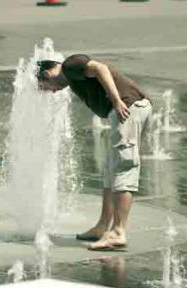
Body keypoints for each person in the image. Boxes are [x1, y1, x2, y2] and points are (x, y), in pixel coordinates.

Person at [37, 54, 151, 251]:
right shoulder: (72, 76)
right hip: (128, 108)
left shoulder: (70, 65)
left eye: (47, 88)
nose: (53, 92)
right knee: (110, 170)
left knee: (124, 168)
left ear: (47, 74)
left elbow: (101, 69)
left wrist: (115, 101)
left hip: (127, 106)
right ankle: (102, 226)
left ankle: (118, 232)